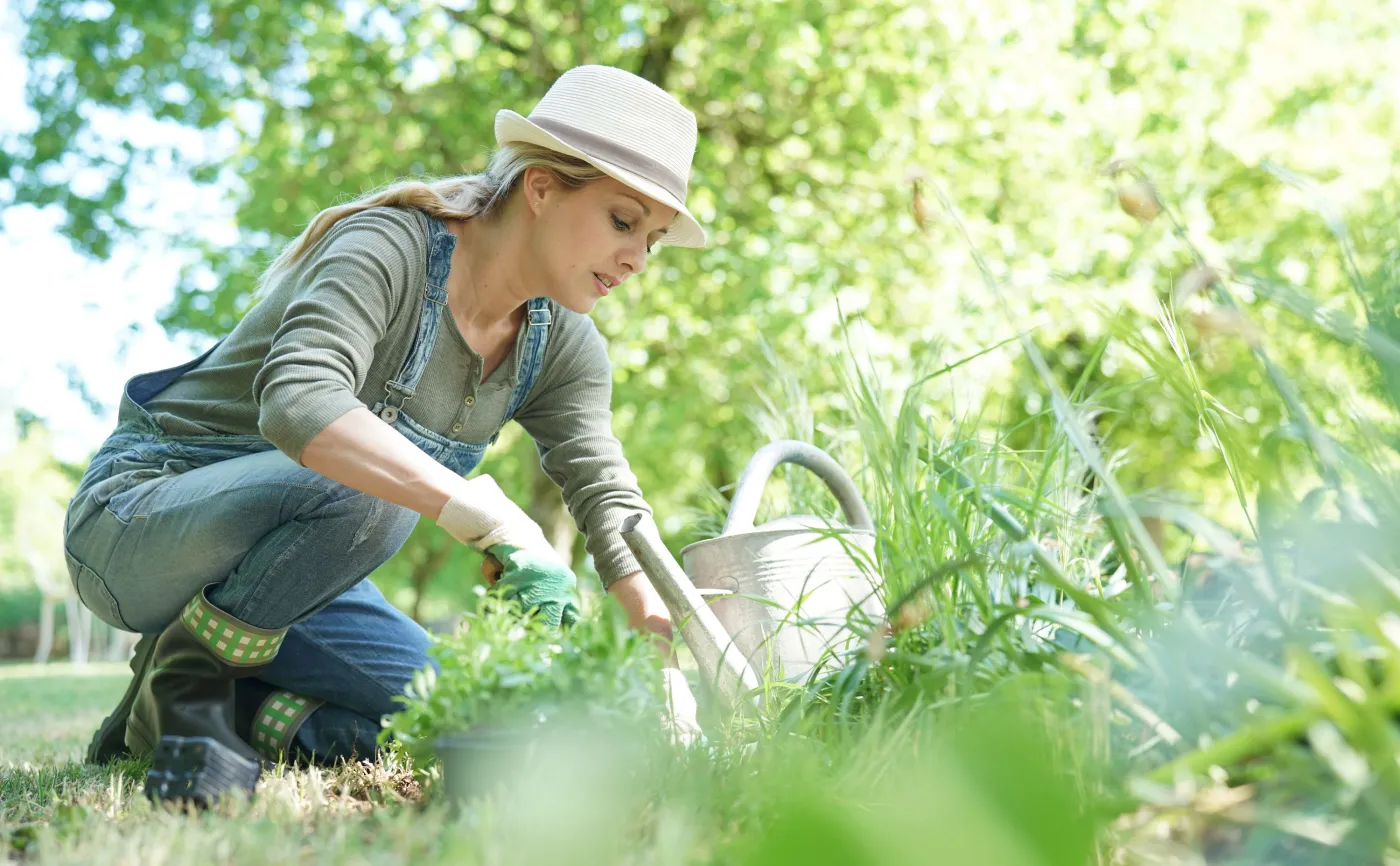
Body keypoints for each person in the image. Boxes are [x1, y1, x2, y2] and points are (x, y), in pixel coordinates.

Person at [61, 64, 706, 804]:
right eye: (623, 222)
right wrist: (488, 518)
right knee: (371, 495)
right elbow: (300, 405)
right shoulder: (390, 248)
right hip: (141, 520)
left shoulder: (563, 345)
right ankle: (190, 686)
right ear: (541, 187)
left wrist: (663, 661)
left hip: (296, 576)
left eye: (652, 241)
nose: (636, 259)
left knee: (483, 720)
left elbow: (606, 495)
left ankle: (217, 713)